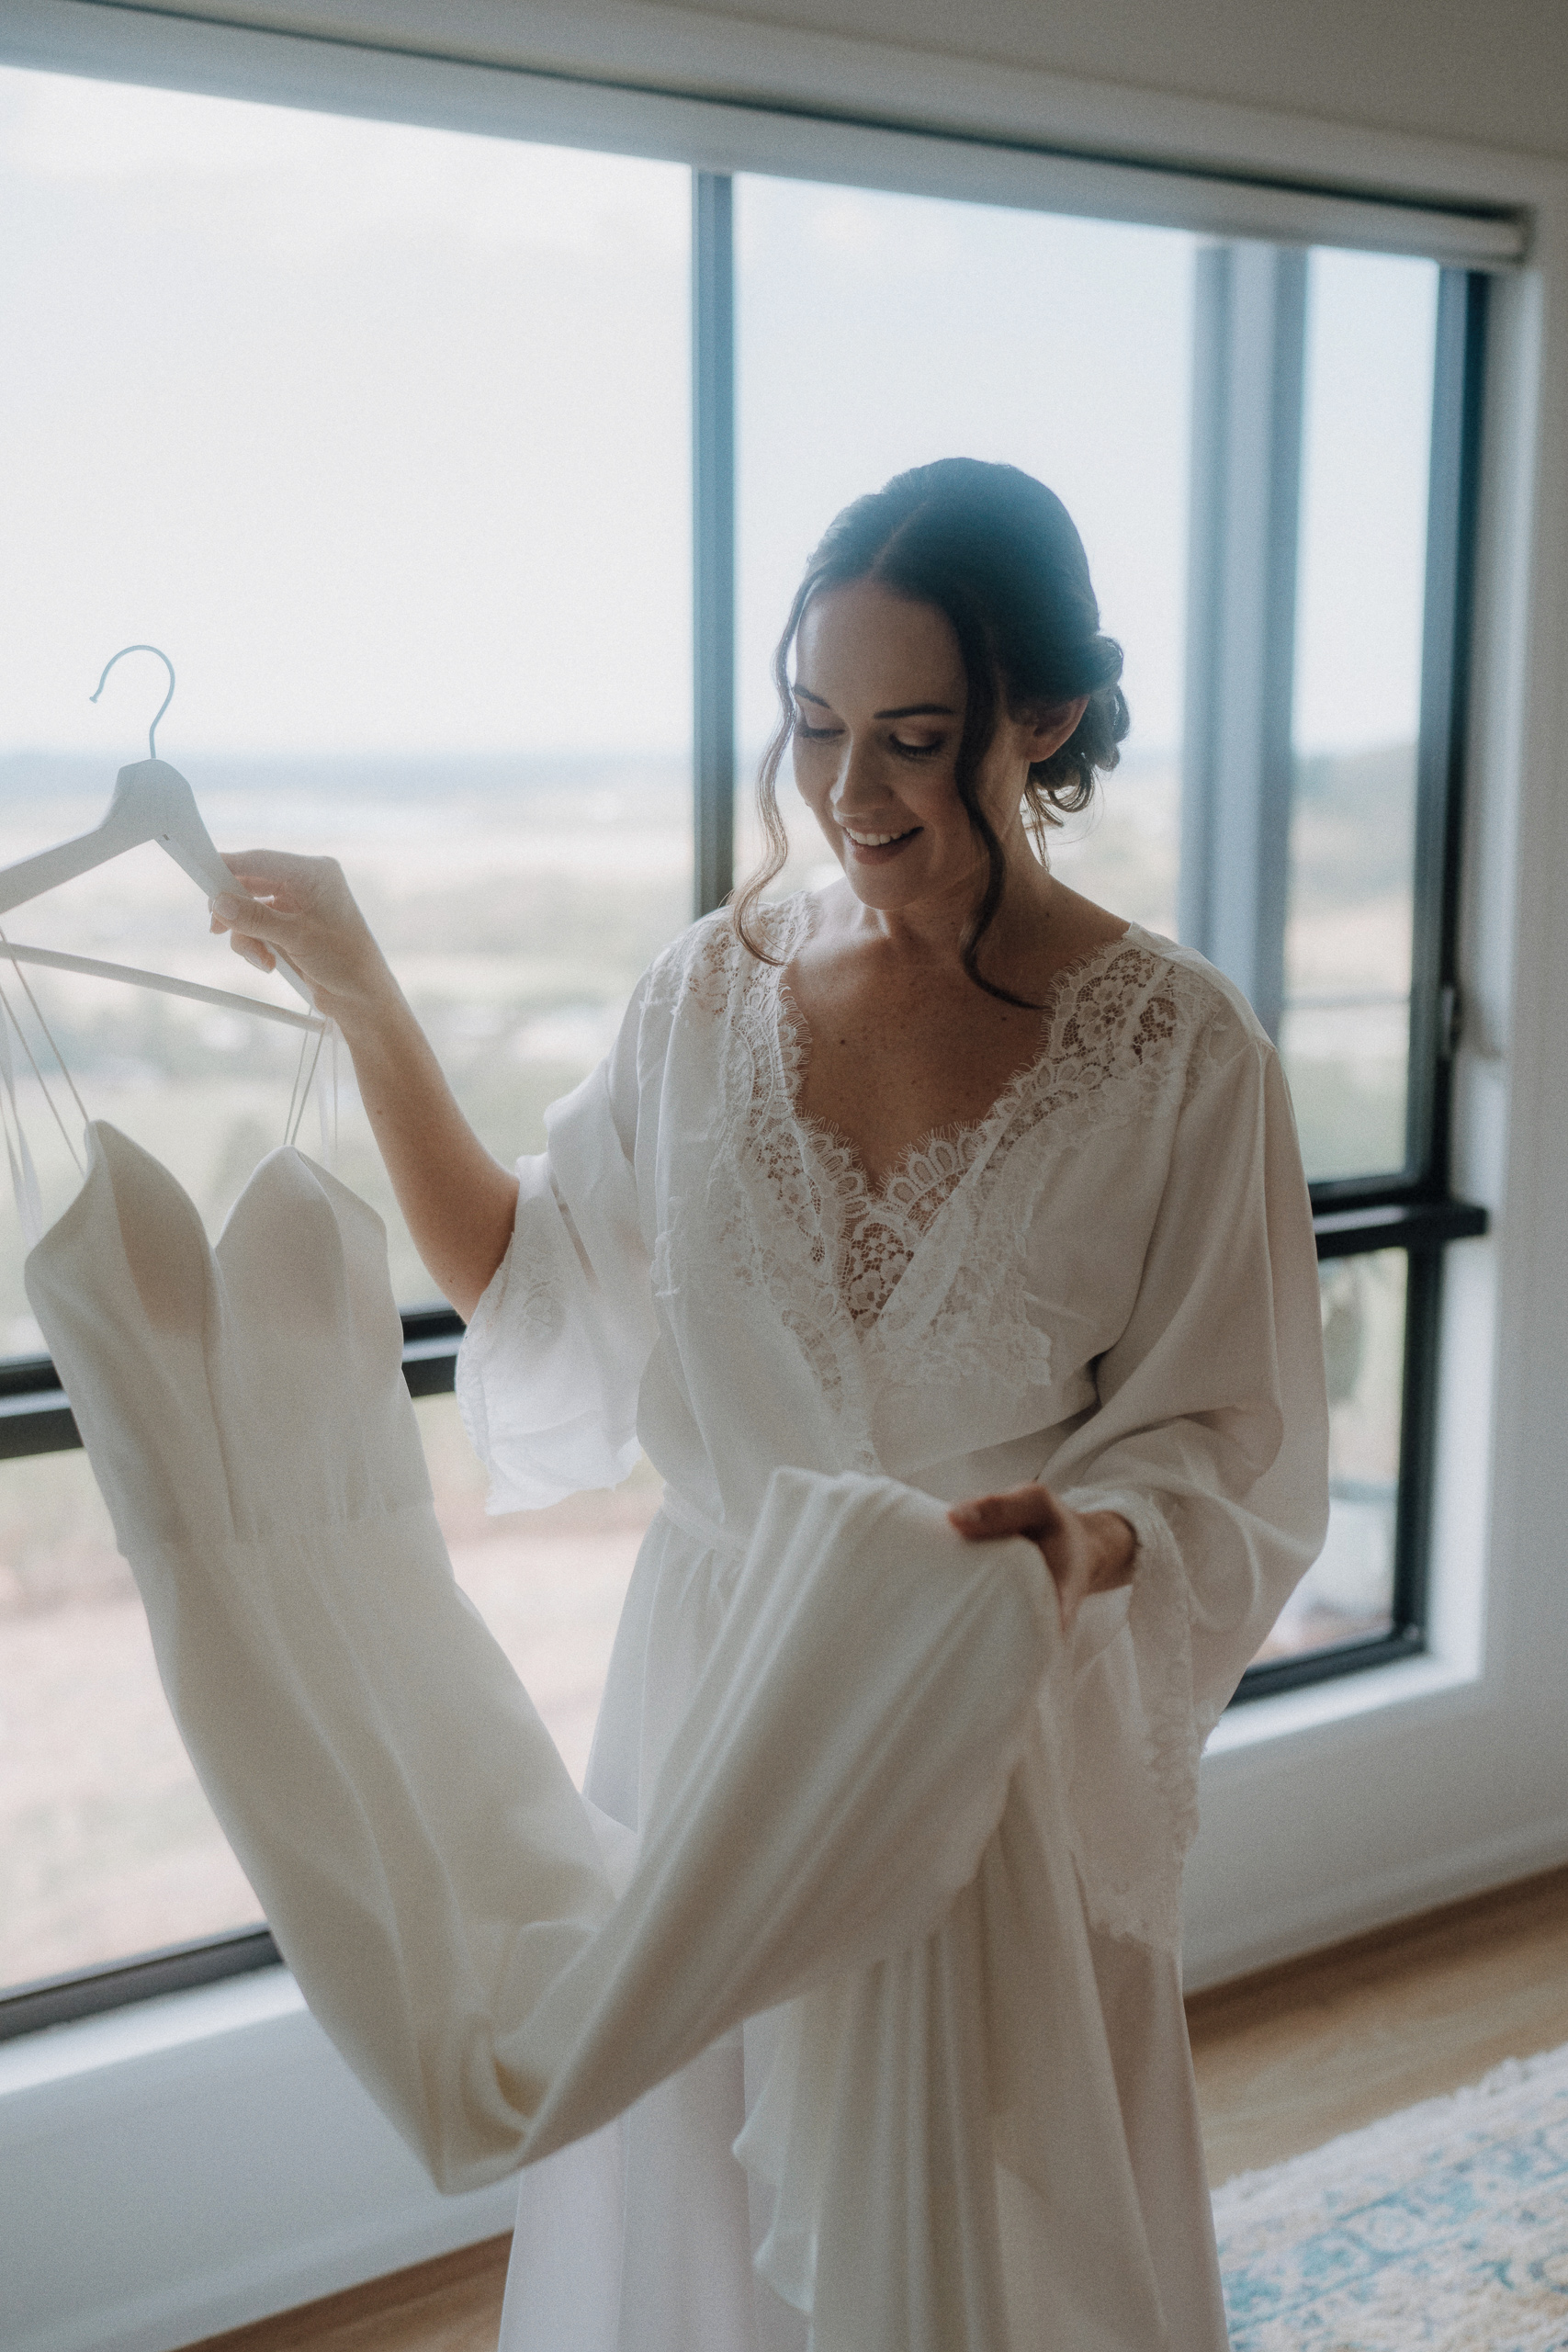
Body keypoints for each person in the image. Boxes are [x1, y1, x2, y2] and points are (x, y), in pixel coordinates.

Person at [209, 458, 1329, 2348]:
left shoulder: (1175, 1050)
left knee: (985, 2227)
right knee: (700, 2214)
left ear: (1039, 718)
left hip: (970, 1705)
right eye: (814, 724)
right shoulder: (695, 1004)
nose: (847, 790)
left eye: (911, 734)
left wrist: (1083, 1540)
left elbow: (1226, 1429)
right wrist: (365, 1000)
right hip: (716, 1703)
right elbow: (533, 1282)